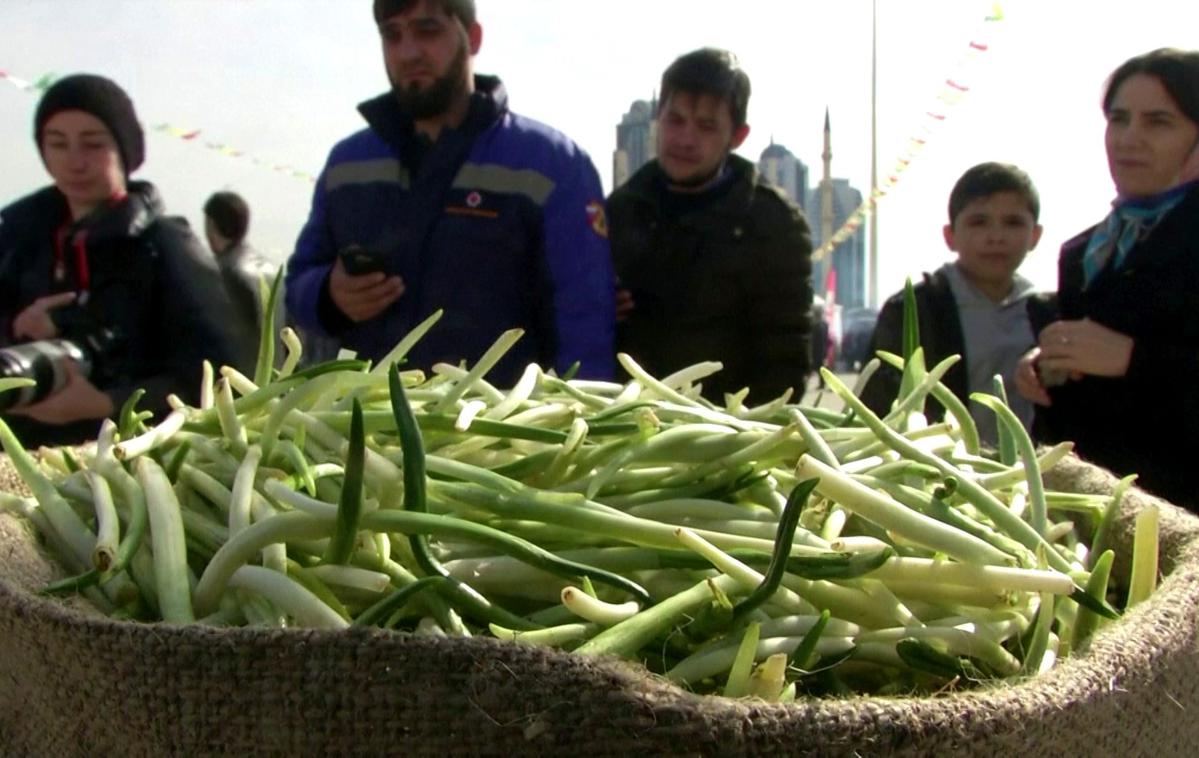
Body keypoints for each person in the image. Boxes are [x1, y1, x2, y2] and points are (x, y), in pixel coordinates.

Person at [285, 0, 615, 385]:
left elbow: (586, 320)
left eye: (428, 30)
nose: (408, 52)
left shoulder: (551, 165)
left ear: (472, 38)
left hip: (497, 437)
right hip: (365, 433)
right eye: (392, 35)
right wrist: (329, 296)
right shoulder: (347, 164)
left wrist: (583, 429)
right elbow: (296, 284)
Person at [0, 74, 248, 447]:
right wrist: (18, 329)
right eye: (58, 144)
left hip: (120, 465)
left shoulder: (164, 245)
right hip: (16, 453)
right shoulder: (18, 239)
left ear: (126, 150)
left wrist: (107, 402)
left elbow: (227, 375)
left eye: (93, 144)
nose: (75, 162)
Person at [1015, 48, 1199, 509]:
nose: (1128, 139)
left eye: (1158, 122)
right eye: (1119, 119)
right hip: (1092, 521)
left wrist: (1135, 360)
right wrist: (1047, 372)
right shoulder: (1084, 252)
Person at [607, 48, 814, 404]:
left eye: (706, 126)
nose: (686, 139)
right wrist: (600, 306)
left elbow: (784, 360)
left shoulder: (772, 223)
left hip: (723, 436)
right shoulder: (620, 211)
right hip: (631, 425)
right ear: (659, 117)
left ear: (738, 136)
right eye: (676, 120)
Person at [860, 162, 1054, 446]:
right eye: (979, 222)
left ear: (1035, 235)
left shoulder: (1047, 314)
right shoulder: (917, 308)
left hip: (1028, 477)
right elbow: (876, 405)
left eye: (1013, 222)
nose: (996, 237)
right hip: (941, 473)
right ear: (950, 236)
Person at [203, 191, 275, 355]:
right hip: (274, 375)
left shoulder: (220, 273)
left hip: (239, 376)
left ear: (211, 224)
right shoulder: (272, 269)